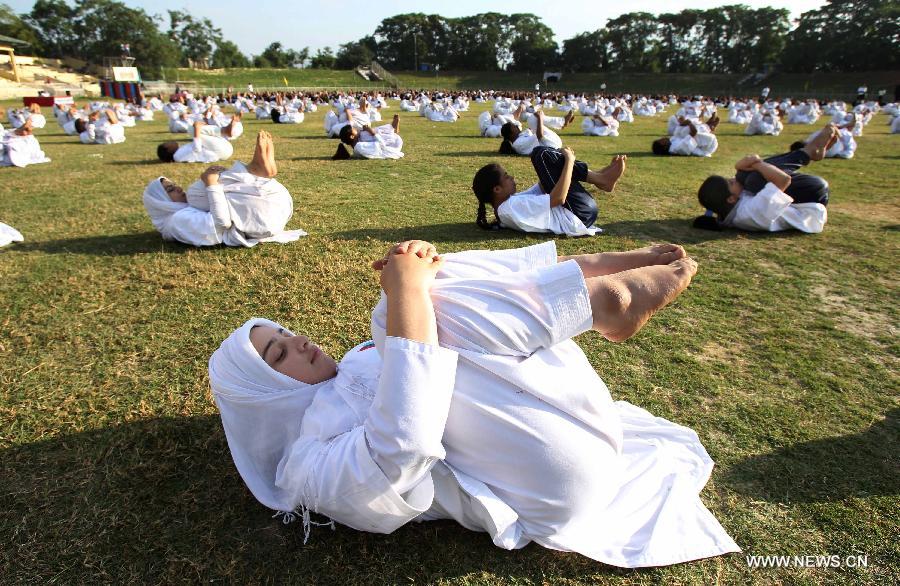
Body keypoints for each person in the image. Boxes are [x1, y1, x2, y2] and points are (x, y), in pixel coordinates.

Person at [208, 238, 740, 568]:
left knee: (415, 298)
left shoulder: (357, 360)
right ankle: (599, 295)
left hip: (581, 418)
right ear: (267, 397)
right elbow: (402, 448)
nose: (299, 342)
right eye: (279, 355)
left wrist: (413, 280)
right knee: (400, 307)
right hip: (555, 487)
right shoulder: (307, 465)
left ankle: (591, 276)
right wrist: (406, 297)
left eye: (287, 333)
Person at [144, 131, 305, 247]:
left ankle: (255, 172)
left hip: (272, 209)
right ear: (161, 203)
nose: (178, 188)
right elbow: (221, 222)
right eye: (171, 189)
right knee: (196, 192)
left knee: (204, 190)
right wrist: (211, 184)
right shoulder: (176, 221)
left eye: (174, 185)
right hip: (263, 220)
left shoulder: (178, 217)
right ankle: (253, 170)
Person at [694, 124, 836, 233]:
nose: (733, 180)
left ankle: (807, 152)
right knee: (754, 178)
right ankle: (809, 152)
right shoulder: (749, 213)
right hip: (812, 200)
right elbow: (783, 180)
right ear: (730, 198)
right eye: (731, 183)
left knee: (745, 176)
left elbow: (711, 206)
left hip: (800, 195)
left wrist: (741, 167)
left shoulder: (727, 207)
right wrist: (757, 163)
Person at [472, 146, 626, 236]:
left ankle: (600, 177)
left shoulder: (507, 206)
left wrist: (551, 169)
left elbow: (543, 187)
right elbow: (557, 198)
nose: (512, 178)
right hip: (578, 214)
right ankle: (602, 180)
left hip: (577, 213)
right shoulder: (511, 208)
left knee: (543, 156)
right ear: (497, 189)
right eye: (506, 177)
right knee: (541, 154)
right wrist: (569, 161)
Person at [157, 120, 234, 164]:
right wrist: (197, 127)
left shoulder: (178, 154)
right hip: (222, 151)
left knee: (195, 129)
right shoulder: (177, 156)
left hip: (224, 150)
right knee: (192, 129)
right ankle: (224, 131)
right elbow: (197, 149)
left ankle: (224, 131)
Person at [333, 113, 404, 160]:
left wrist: (366, 130)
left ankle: (392, 129)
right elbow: (381, 145)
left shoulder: (358, 142)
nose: (356, 129)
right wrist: (371, 132)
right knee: (367, 134)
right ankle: (392, 130)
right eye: (354, 129)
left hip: (390, 142)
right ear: (352, 136)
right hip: (393, 147)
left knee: (364, 134)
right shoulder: (359, 146)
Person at [652, 114, 719, 157]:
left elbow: (677, 134)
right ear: (663, 144)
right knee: (686, 131)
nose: (663, 138)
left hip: (701, 143)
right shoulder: (678, 148)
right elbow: (694, 132)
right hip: (708, 146)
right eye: (661, 140)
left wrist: (682, 123)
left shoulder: (671, 143)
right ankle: (710, 127)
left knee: (683, 130)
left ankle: (708, 125)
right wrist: (689, 123)